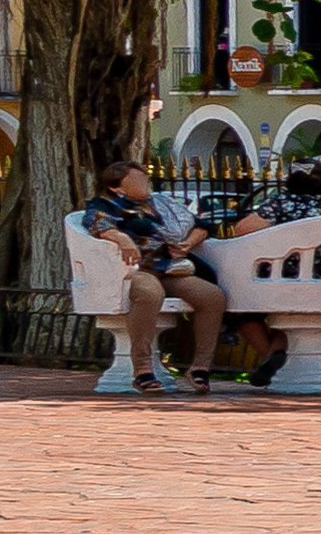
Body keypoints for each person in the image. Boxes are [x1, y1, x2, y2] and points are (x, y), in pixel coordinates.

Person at [80, 153, 226, 394]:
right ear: (117, 188)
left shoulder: (162, 203)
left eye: (145, 178)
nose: (146, 183)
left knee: (212, 297)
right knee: (150, 292)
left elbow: (201, 225)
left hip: (169, 267)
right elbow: (98, 224)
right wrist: (122, 237)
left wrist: (187, 245)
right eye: (137, 180)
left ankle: (200, 367)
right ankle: (143, 370)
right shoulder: (106, 204)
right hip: (135, 268)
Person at [212, 161, 321, 390]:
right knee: (288, 309)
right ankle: (275, 356)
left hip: (281, 283)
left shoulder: (280, 204)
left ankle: (272, 355)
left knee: (239, 305)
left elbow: (242, 229)